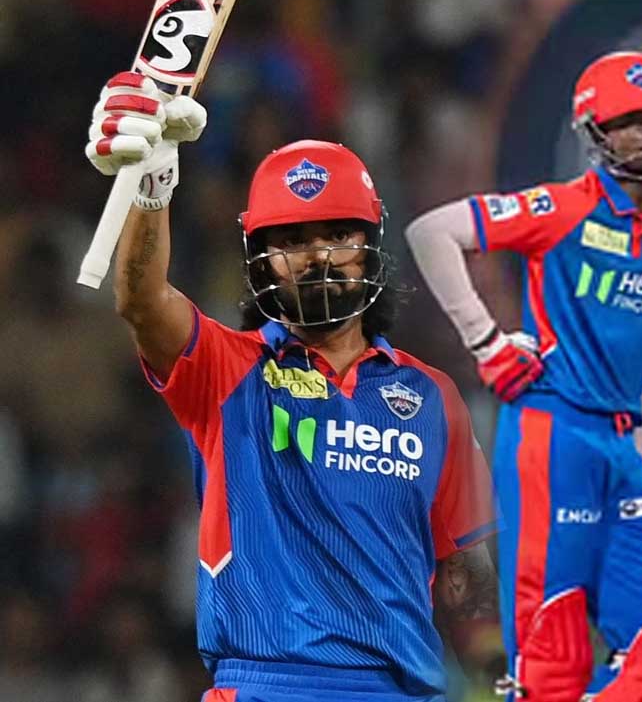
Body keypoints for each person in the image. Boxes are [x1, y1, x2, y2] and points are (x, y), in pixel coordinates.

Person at [84, 71, 500, 702]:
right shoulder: (227, 370)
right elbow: (142, 301)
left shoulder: (434, 397)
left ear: (370, 246)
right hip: (266, 685)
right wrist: (151, 183)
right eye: (293, 240)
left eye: (338, 234)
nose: (318, 256)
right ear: (261, 260)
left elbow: (470, 581)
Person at [405, 50, 642, 702]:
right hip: (553, 430)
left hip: (619, 445)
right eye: (629, 120)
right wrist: (485, 340)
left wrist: (638, 466)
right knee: (548, 654)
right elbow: (432, 232)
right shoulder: (562, 207)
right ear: (597, 134)